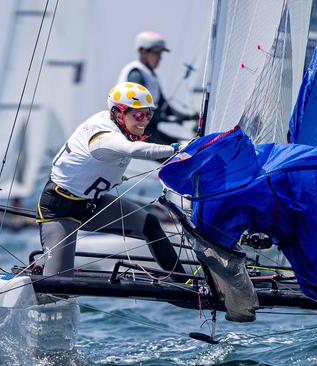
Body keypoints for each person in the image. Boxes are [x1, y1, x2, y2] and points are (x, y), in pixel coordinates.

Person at [37, 82, 187, 277]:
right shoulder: (104, 135)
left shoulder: (123, 130)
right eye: (139, 115)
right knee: (57, 286)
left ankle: (182, 282)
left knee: (149, 224)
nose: (144, 121)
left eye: (148, 114)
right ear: (118, 113)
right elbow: (134, 150)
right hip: (60, 209)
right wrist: (179, 149)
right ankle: (40, 275)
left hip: (92, 205)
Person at [117, 31, 198, 146]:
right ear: (143, 52)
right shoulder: (136, 74)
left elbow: (164, 105)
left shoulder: (150, 75)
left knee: (182, 147)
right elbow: (136, 109)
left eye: (161, 54)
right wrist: (164, 118)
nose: (160, 58)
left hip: (148, 129)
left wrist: (189, 116)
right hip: (136, 132)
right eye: (156, 53)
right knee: (176, 153)